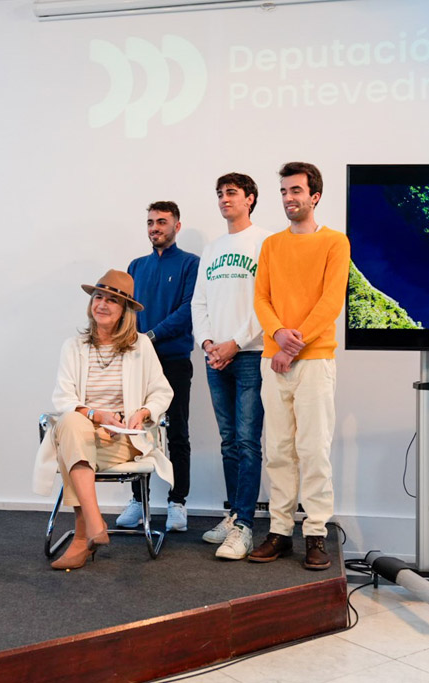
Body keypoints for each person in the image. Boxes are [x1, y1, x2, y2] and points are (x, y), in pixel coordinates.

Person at [33, 270, 174, 570]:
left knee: (70, 446)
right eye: (98, 297)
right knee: (72, 424)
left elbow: (162, 392)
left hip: (122, 439)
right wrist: (96, 415)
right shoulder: (73, 346)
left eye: (112, 300)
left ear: (125, 311)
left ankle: (83, 535)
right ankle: (93, 523)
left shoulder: (140, 346)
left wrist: (142, 413)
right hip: (82, 432)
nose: (102, 304)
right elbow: (63, 397)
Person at [250, 162, 350, 570]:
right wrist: (278, 335)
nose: (289, 198)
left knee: (313, 450)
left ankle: (315, 533)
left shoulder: (335, 242)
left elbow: (331, 302)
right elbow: (261, 298)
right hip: (273, 361)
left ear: (315, 196)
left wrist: (291, 346)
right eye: (284, 191)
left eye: (296, 190)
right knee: (277, 450)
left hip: (314, 361)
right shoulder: (272, 245)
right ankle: (279, 531)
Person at [191, 173, 273, 560]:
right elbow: (199, 301)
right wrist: (208, 343)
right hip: (215, 357)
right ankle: (233, 514)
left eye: (232, 193)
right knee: (228, 441)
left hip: (250, 354)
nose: (225, 199)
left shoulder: (265, 242)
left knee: (247, 441)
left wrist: (235, 343)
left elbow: (267, 301)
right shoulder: (212, 248)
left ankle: (245, 526)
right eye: (220, 194)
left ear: (250, 199)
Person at [117, 201, 199, 533]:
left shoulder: (191, 264)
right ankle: (139, 501)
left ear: (176, 226)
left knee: (176, 431)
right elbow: (126, 310)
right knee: (137, 429)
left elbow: (189, 309)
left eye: (162, 222)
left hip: (174, 360)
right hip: (138, 363)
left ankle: (178, 502)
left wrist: (150, 336)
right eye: (151, 222)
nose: (155, 228)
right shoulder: (136, 266)